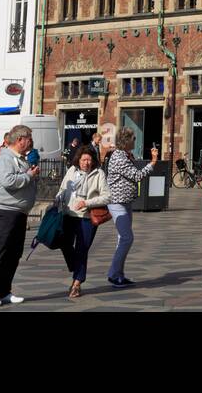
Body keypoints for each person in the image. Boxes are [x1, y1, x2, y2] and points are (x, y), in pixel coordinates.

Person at [0, 124, 40, 307]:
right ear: (20, 140)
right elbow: (9, 181)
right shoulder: (5, 157)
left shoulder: (22, 159)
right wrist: (29, 175)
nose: (31, 141)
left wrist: (30, 174)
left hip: (18, 213)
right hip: (1, 212)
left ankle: (5, 290)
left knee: (13, 254)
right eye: (29, 138)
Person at [104, 127, 158, 286]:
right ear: (126, 140)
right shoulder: (119, 157)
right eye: (133, 138)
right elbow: (137, 175)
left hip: (126, 201)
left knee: (123, 238)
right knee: (127, 238)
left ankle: (119, 274)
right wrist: (153, 162)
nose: (135, 141)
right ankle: (113, 274)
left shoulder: (125, 155)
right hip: (117, 202)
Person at [56, 144, 110, 299]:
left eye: (89, 159)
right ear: (78, 160)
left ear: (93, 161)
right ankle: (76, 266)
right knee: (65, 244)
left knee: (82, 250)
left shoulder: (98, 173)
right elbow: (62, 189)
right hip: (68, 214)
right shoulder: (72, 171)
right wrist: (57, 200)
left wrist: (87, 203)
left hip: (86, 218)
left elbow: (107, 196)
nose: (86, 163)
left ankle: (77, 283)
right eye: (83, 159)